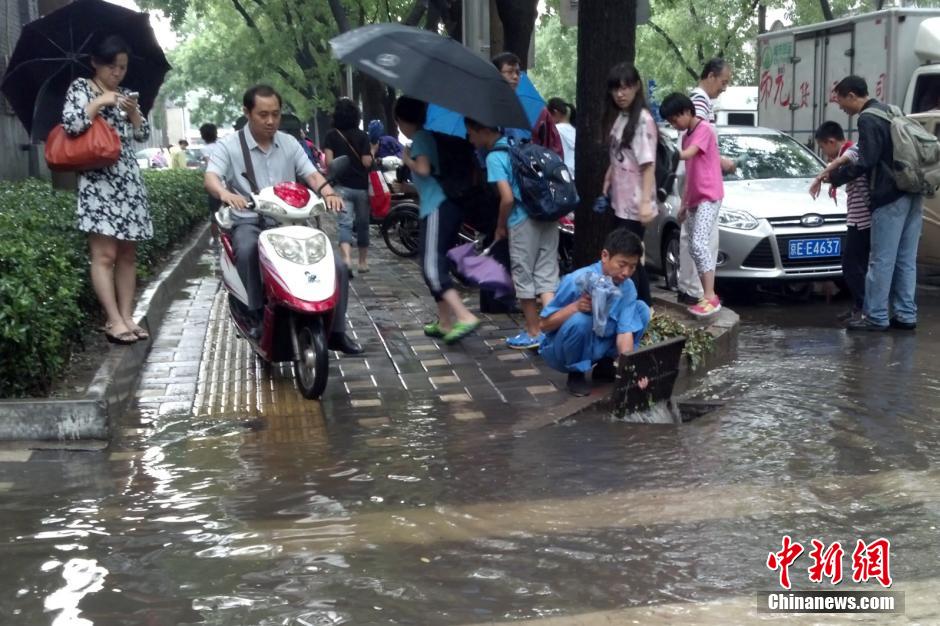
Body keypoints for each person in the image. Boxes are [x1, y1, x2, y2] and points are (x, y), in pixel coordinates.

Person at [204, 84, 362, 354]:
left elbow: (312, 174)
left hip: (290, 222)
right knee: (247, 248)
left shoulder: (289, 143)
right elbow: (211, 177)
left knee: (336, 263)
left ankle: (337, 331)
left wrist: (328, 193)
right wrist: (225, 193)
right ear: (247, 112)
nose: (270, 121)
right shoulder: (228, 147)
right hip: (249, 220)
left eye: (275, 114)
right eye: (262, 114)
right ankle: (255, 315)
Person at [61, 35, 153, 345]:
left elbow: (143, 135)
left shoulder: (127, 94)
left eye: (123, 67)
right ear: (95, 63)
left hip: (127, 180)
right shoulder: (80, 89)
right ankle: (112, 320)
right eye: (112, 66)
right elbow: (71, 125)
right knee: (104, 255)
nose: (118, 73)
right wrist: (100, 102)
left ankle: (127, 316)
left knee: (128, 253)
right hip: (97, 181)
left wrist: (133, 113)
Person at [823, 75, 923, 332]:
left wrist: (835, 177)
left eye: (841, 101)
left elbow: (866, 160)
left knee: (881, 259)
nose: (842, 107)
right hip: (913, 191)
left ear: (853, 96)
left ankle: (876, 316)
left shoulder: (868, 118)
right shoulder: (890, 110)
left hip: (889, 195)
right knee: (906, 259)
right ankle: (905, 315)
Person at [465, 117, 560, 350]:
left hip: (522, 220)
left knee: (524, 276)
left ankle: (533, 331)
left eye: (471, 133)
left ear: (483, 130)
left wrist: (500, 225)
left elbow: (507, 198)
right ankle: (554, 332)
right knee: (547, 276)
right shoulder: (518, 145)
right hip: (547, 216)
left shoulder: (495, 157)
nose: (470, 139)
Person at [394, 96, 481, 344]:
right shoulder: (430, 137)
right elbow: (430, 176)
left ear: (401, 120)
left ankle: (464, 316)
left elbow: (422, 169)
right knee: (438, 260)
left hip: (437, 208)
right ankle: (444, 322)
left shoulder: (421, 139)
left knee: (431, 266)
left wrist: (407, 159)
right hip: (446, 206)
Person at [540, 228, 651, 396]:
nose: (626, 273)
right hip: (562, 350)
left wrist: (631, 369)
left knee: (641, 309)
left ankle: (605, 366)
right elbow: (545, 325)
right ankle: (576, 374)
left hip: (598, 344)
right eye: (622, 265)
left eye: (632, 267)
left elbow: (625, 332)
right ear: (605, 256)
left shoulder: (627, 287)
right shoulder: (577, 279)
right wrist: (575, 307)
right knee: (580, 321)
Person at [677, 58, 736, 306]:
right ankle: (703, 293)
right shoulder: (699, 102)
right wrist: (720, 160)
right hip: (700, 182)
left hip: (696, 182)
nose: (724, 88)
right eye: (723, 82)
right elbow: (701, 139)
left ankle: (695, 289)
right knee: (702, 241)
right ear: (711, 76)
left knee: (693, 238)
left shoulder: (699, 100)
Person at [661, 92, 723, 317]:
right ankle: (708, 296)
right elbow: (689, 173)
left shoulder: (705, 130)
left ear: (687, 112)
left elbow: (687, 154)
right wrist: (684, 204)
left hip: (710, 196)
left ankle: (710, 296)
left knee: (698, 244)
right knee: (696, 249)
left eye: (674, 120)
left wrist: (666, 149)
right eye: (669, 122)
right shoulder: (686, 135)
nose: (674, 125)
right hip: (695, 198)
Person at [601, 62, 658, 307]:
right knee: (629, 258)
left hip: (635, 205)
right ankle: (640, 308)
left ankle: (641, 309)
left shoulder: (643, 120)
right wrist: (609, 176)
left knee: (628, 260)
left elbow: (647, 165)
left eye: (625, 88)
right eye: (616, 89)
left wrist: (645, 203)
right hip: (620, 202)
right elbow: (621, 155)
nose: (620, 94)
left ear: (636, 88)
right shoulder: (622, 118)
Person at [809, 121, 871, 321]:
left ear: (831, 141)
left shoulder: (852, 151)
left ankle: (863, 308)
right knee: (855, 265)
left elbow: (838, 165)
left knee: (852, 265)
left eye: (824, 148)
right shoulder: (849, 154)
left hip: (863, 219)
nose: (826, 154)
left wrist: (821, 176)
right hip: (856, 217)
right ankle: (859, 307)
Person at [323, 98, 373, 274]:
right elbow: (367, 162)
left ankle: (346, 260)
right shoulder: (363, 136)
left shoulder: (331, 135)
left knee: (344, 224)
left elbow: (329, 162)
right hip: (361, 187)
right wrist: (371, 154)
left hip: (341, 187)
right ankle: (363, 262)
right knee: (362, 224)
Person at [491, 51, 563, 156]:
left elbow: (553, 147)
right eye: (510, 72)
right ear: (496, 74)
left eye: (517, 72)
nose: (515, 77)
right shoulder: (486, 107)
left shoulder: (536, 110)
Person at [547, 97, 576, 175]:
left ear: (556, 112)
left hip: (565, 173)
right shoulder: (574, 130)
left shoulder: (555, 130)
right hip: (576, 171)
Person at [199, 123, 221, 219]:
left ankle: (216, 234)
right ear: (215, 133)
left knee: (215, 214)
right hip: (226, 182)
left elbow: (209, 165)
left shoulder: (205, 149)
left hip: (214, 183)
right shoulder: (222, 145)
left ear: (203, 135)